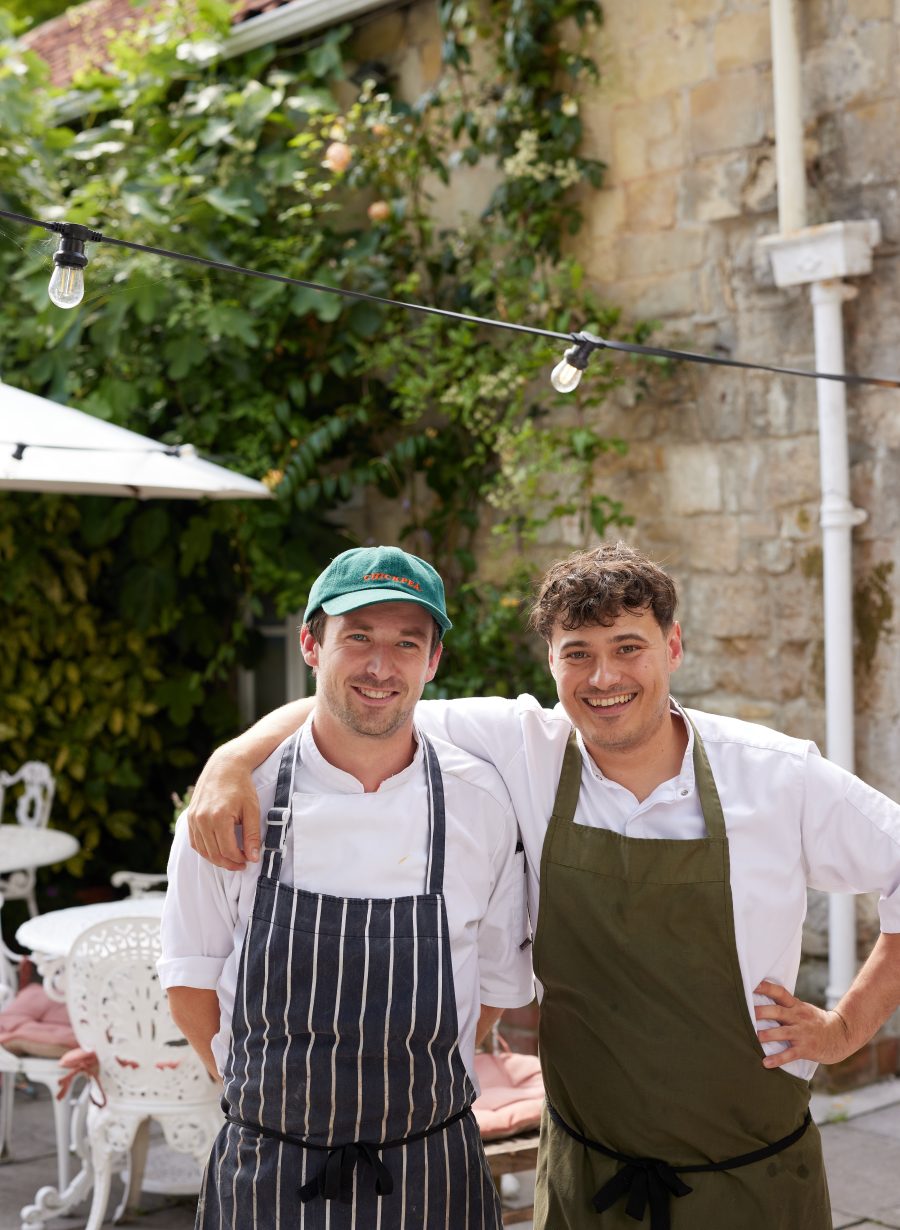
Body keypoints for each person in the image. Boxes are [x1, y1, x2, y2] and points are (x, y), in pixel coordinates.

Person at [186, 542, 900, 1230]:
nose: (603, 678)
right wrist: (231, 760)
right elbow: (362, 707)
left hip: (752, 1178)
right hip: (587, 1180)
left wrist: (843, 1031)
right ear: (552, 663)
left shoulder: (776, 776)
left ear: (673, 647)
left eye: (628, 647)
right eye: (578, 654)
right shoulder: (526, 746)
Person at [158, 545, 534, 1229]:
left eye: (406, 643)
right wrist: (270, 1110)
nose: (381, 666)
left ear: (433, 662)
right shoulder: (231, 807)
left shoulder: (480, 802)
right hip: (270, 1170)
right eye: (357, 637)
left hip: (431, 1169)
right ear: (311, 644)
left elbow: (496, 990)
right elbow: (189, 984)